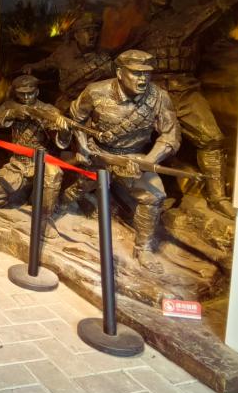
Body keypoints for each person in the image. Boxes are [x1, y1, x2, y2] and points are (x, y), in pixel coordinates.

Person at [129, 0, 238, 217]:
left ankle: (217, 197)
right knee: (147, 141)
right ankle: (161, 191)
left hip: (185, 89)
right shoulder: (139, 32)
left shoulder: (187, 19)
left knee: (212, 138)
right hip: (151, 92)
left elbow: (221, 4)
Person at [67, 50, 181, 274]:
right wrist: (82, 148)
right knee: (80, 187)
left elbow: (170, 136)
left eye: (146, 74)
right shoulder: (95, 91)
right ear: (120, 73)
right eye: (136, 73)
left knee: (154, 195)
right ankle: (63, 204)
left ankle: (143, 248)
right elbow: (75, 121)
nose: (143, 79)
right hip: (98, 153)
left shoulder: (159, 98)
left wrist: (148, 161)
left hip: (133, 156)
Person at [0, 75, 70, 237]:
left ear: (37, 92)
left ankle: (44, 221)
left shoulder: (49, 110)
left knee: (54, 174)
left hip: (42, 162)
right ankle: (25, 195)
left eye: (30, 93)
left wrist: (63, 131)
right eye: (22, 94)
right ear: (16, 93)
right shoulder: (11, 105)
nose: (26, 97)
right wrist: (13, 113)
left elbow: (61, 143)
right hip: (18, 164)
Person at [22, 11, 114, 112]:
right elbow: (46, 63)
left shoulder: (104, 58)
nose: (92, 34)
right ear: (76, 35)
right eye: (87, 30)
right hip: (66, 104)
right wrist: (32, 66)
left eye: (95, 30)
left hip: (91, 107)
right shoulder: (63, 53)